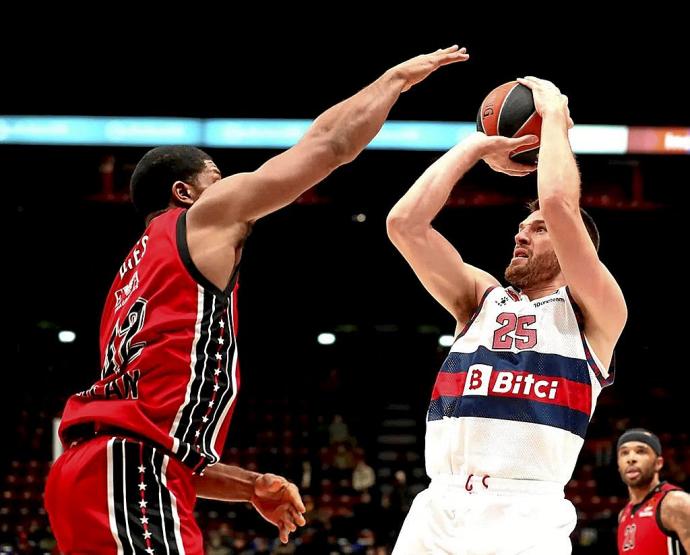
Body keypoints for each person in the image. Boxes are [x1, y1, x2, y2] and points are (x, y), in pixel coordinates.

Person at [44, 45, 470, 554]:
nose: (231, 189)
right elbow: (330, 143)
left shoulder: (128, 279)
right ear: (185, 192)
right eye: (218, 179)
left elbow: (158, 439)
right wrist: (395, 79)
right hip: (126, 469)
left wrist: (249, 487)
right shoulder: (200, 218)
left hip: (101, 469)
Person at [386, 76, 627, 553]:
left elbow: (560, 204)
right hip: (438, 506)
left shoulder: (594, 314)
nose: (520, 235)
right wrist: (474, 146)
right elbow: (404, 224)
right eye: (521, 227)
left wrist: (555, 114)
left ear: (575, 246)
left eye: (537, 230)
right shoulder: (482, 299)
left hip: (523, 514)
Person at [616, 428, 690, 554]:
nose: (631, 459)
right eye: (624, 453)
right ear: (618, 464)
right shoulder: (623, 515)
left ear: (658, 463)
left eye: (641, 451)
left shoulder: (677, 503)